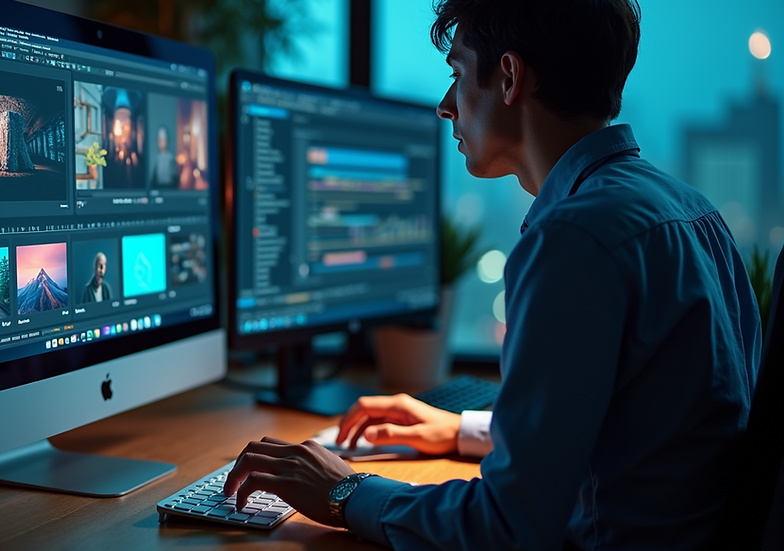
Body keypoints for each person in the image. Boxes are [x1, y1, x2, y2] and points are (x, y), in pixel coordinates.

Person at [223, 1, 761, 549]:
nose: (445, 105)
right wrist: (460, 430)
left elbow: (509, 526)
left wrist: (345, 490)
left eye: (456, 74)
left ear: (508, 77)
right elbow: (641, 432)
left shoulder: (574, 239)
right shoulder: (692, 210)